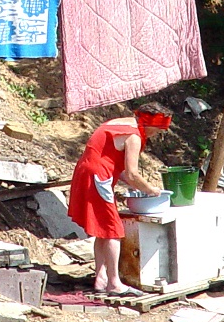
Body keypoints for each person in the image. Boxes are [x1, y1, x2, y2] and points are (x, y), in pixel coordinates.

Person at [67, 105, 172, 296]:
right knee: (113, 230)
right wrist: (151, 190)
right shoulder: (134, 136)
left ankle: (100, 278)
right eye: (158, 130)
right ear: (150, 124)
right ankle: (114, 283)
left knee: (102, 230)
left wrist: (136, 185)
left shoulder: (122, 123)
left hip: (86, 171)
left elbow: (118, 166)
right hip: (98, 177)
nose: (157, 134)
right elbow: (132, 173)